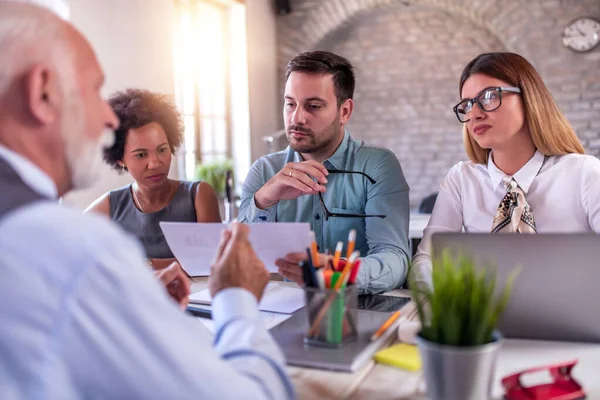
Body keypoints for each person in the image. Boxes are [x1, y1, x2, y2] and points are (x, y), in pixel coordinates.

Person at [0, 3, 293, 399]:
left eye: (161, 150)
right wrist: (237, 300)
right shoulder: (76, 250)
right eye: (93, 90)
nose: (107, 118)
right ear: (42, 92)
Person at [411, 52, 600, 289]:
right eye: (467, 105)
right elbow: (426, 260)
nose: (475, 114)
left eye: (489, 97)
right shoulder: (462, 179)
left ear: (529, 97)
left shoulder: (585, 173)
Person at [238, 51, 410, 294]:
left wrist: (339, 274)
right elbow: (240, 259)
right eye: (290, 104)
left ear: (345, 111)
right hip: (284, 311)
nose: (296, 118)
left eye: (314, 106)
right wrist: (264, 200)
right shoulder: (263, 171)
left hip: (356, 309)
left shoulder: (377, 165)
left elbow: (396, 261)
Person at [85, 89, 222, 270]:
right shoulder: (109, 206)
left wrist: (144, 264)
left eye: (162, 149)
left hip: (196, 297)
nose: (155, 163)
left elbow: (213, 260)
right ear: (120, 159)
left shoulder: (198, 195)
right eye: (141, 155)